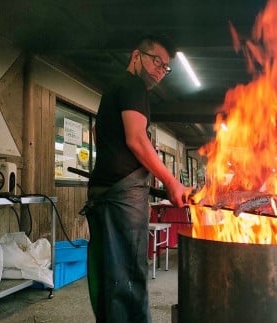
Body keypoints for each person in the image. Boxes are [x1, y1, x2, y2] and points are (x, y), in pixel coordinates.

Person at [84, 33, 188, 323]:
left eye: (165, 67)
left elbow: (100, 136)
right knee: (128, 278)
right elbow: (137, 140)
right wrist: (171, 181)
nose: (160, 70)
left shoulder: (114, 89)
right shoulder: (133, 86)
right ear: (136, 55)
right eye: (157, 61)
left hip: (105, 191)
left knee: (111, 278)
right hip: (121, 196)